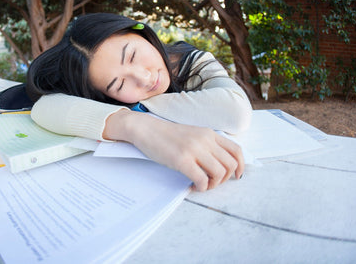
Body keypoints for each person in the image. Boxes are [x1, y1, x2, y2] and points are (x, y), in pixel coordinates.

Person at [26, 13, 252, 191]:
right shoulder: (114, 101)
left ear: (139, 32)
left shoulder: (196, 62)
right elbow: (44, 107)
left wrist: (138, 108)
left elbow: (235, 112)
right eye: (119, 85)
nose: (144, 78)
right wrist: (136, 125)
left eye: (132, 55)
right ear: (107, 96)